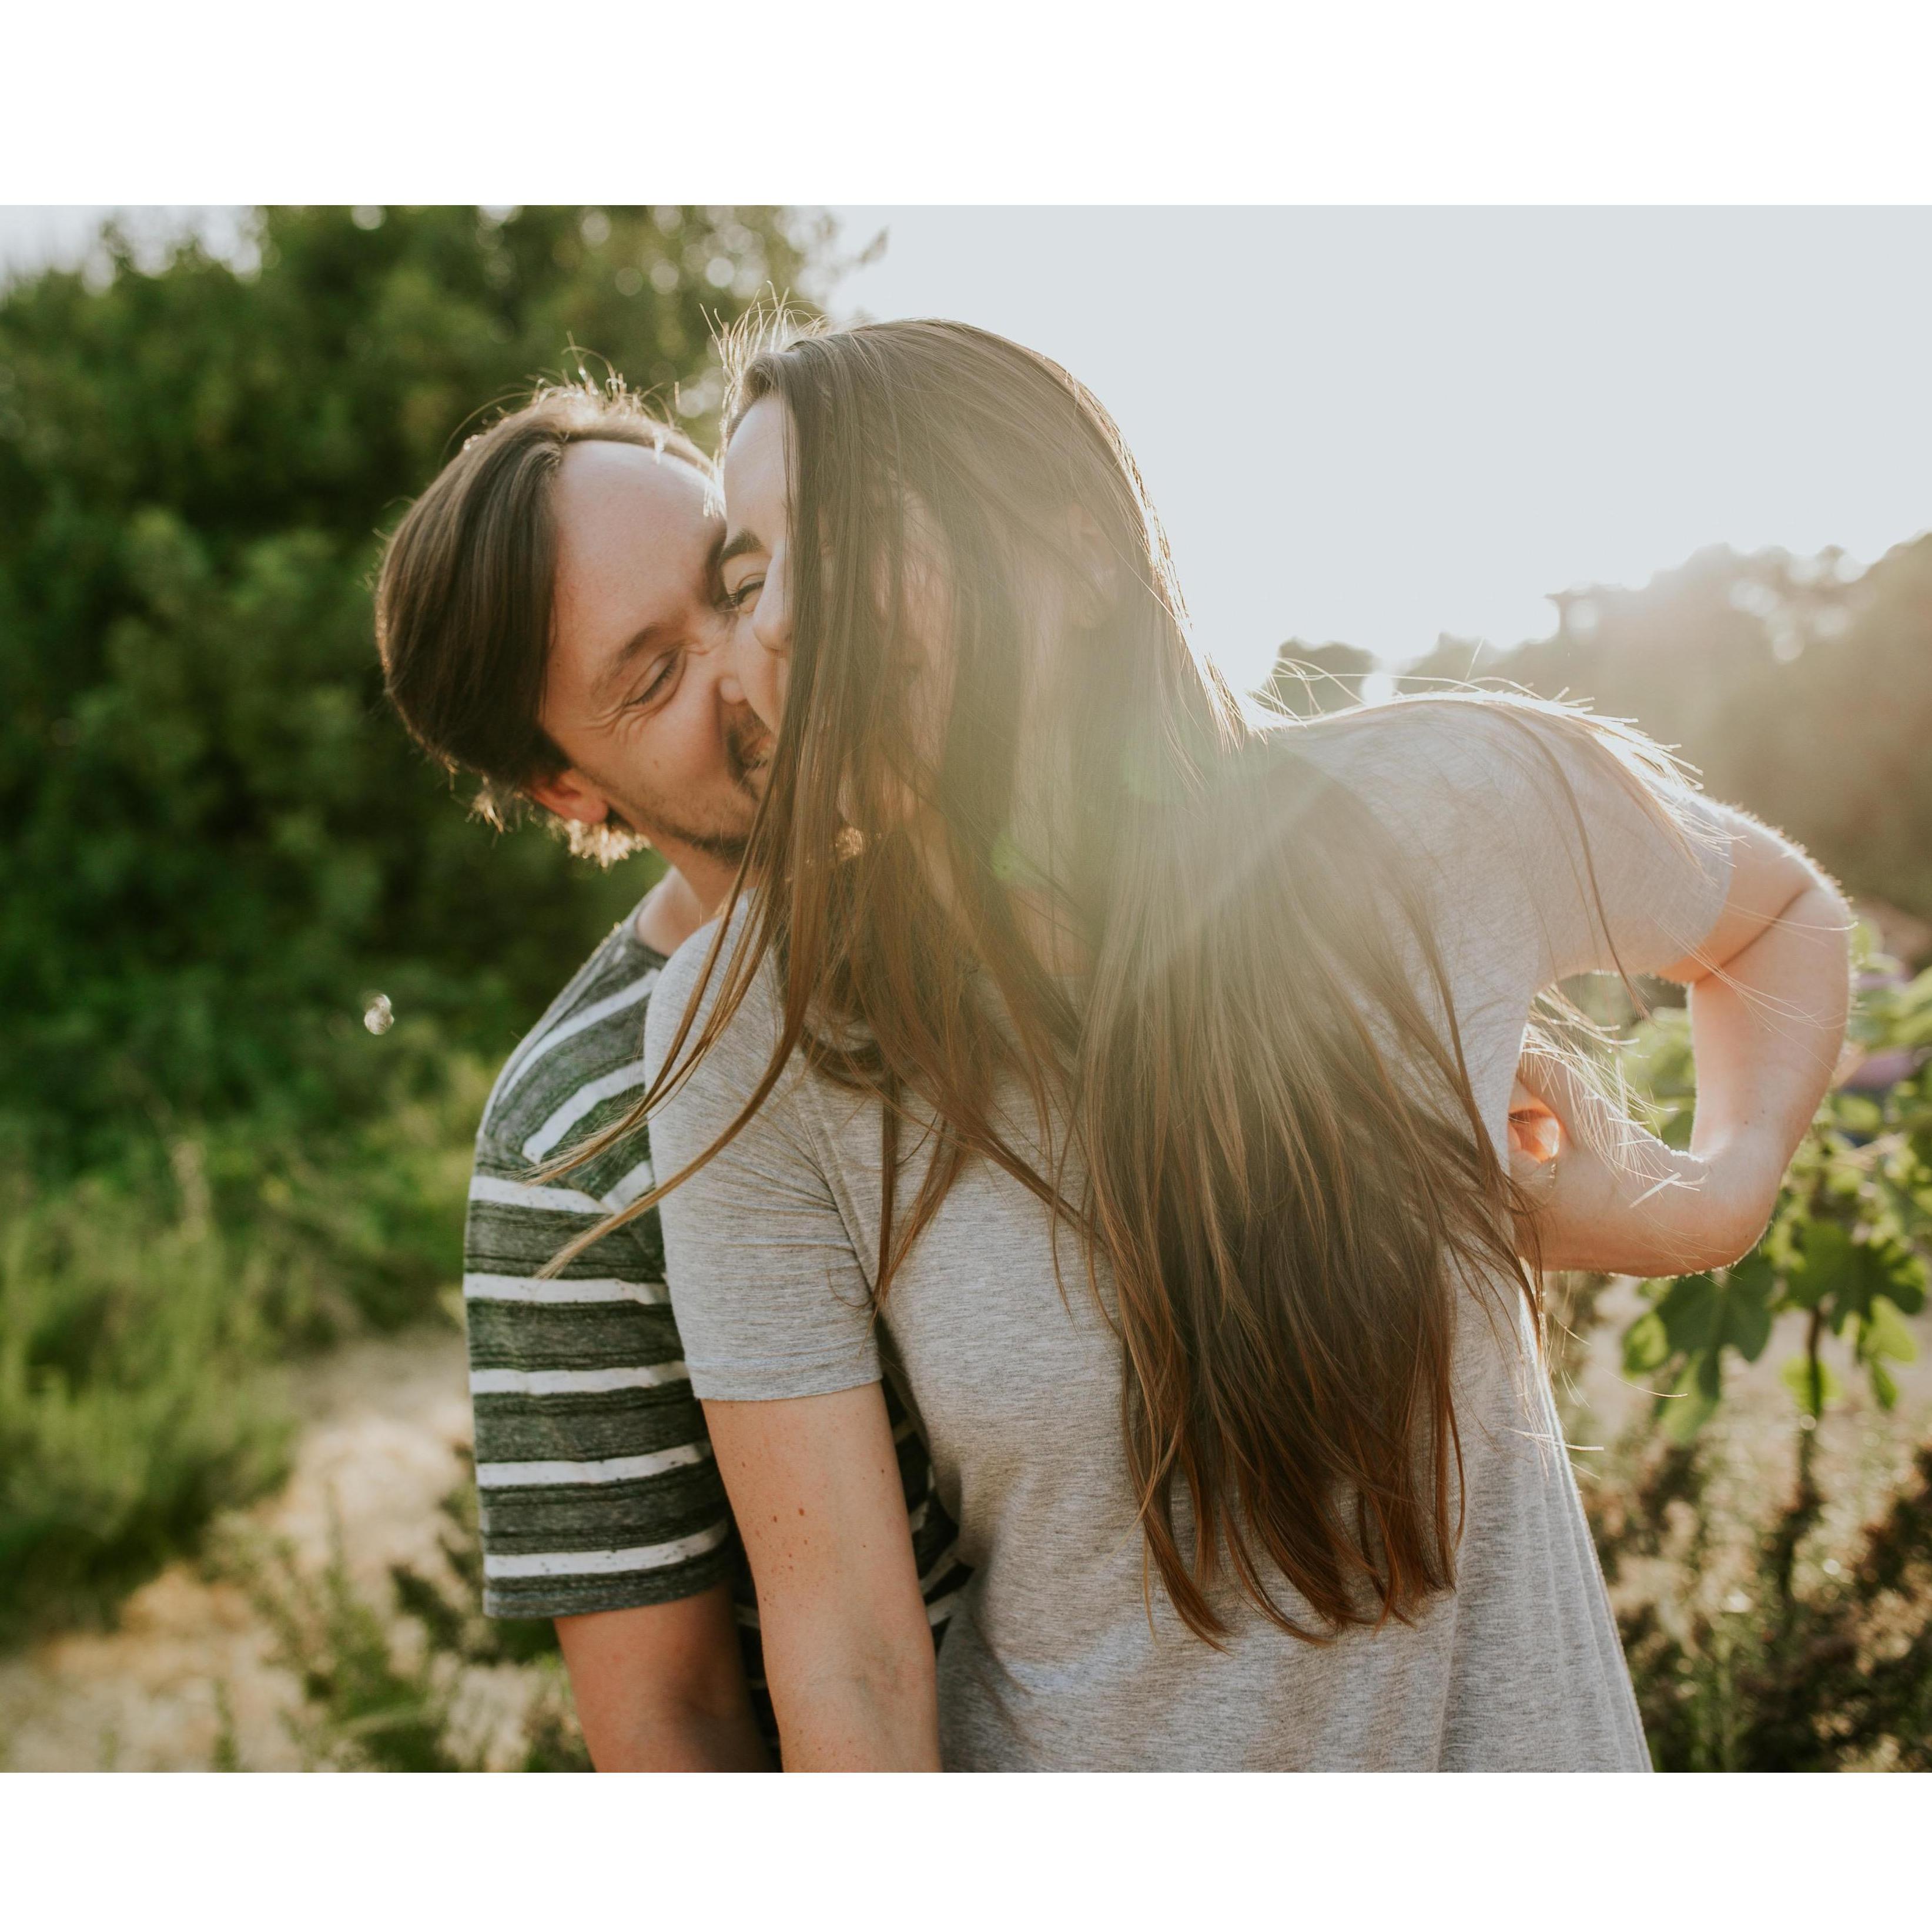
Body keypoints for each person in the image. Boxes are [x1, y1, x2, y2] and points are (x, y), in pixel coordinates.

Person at [604, 319, 1853, 1770]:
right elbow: (853, 1653)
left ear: (1076, 551)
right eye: (751, 576)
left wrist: (1708, 1200)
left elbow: (1776, 916)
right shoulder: (745, 1034)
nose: (776, 623)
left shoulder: (1427, 810)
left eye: (839, 537)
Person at [373, 383, 969, 1769]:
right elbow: (671, 1720)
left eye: (737, 578)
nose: (756, 664)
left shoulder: (1061, 881)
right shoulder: (577, 1138)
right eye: (654, 674)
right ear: (567, 790)